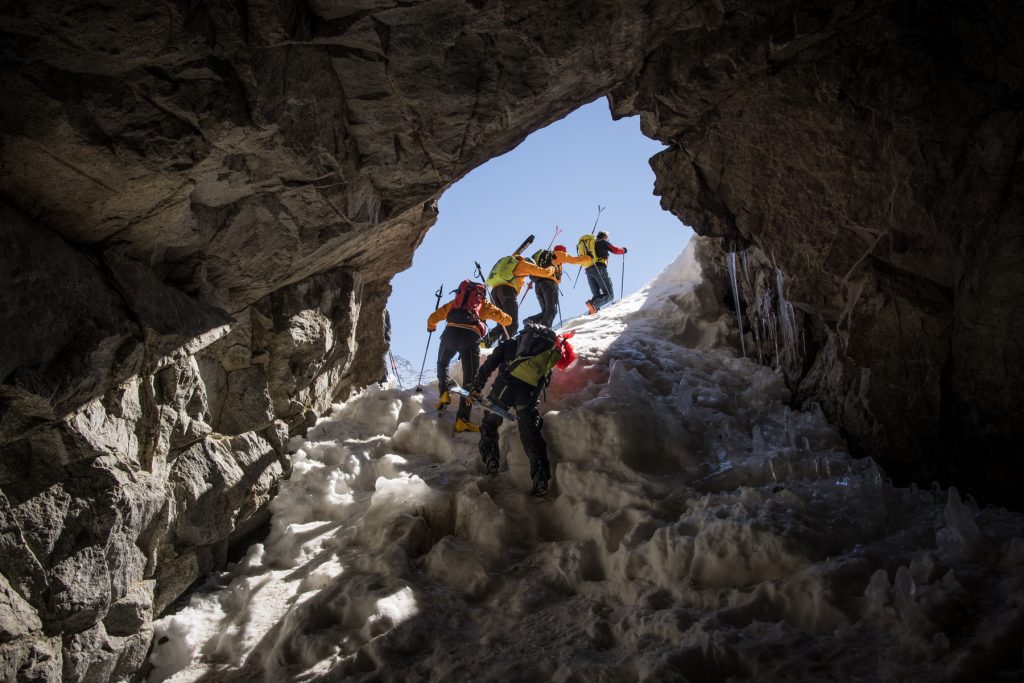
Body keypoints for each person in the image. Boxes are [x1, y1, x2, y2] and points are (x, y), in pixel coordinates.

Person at [468, 323, 577, 496]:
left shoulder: (510, 344)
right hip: (529, 394)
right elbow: (545, 378)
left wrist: (476, 387)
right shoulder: (544, 351)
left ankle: (491, 459)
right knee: (530, 432)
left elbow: (489, 365)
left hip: (504, 389)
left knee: (489, 423)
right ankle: (540, 476)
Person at [427, 281, 512, 433]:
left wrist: (431, 327)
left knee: (443, 363)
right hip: (470, 337)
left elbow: (432, 318)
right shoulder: (484, 305)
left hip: (450, 334)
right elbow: (507, 320)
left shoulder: (455, 303)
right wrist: (497, 315)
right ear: (480, 294)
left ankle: (444, 392)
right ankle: (462, 420)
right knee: (470, 380)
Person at [481, 253, 556, 348]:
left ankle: (485, 342)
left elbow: (516, 281)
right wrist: (552, 267)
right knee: (512, 324)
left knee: (504, 321)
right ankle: (504, 349)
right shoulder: (523, 264)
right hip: (506, 292)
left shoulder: (510, 265)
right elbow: (544, 272)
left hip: (494, 292)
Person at [523, 245, 591, 328]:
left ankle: (531, 321)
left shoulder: (546, 258)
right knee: (551, 310)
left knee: (546, 311)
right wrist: (588, 257)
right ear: (563, 251)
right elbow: (574, 260)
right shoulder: (559, 254)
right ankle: (543, 330)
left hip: (538, 284)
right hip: (549, 283)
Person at [582, 230, 627, 314]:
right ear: (605, 237)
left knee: (597, 295)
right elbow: (615, 250)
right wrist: (623, 250)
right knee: (609, 295)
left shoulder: (592, 243)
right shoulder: (603, 242)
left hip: (588, 269)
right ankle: (593, 305)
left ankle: (593, 312)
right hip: (599, 268)